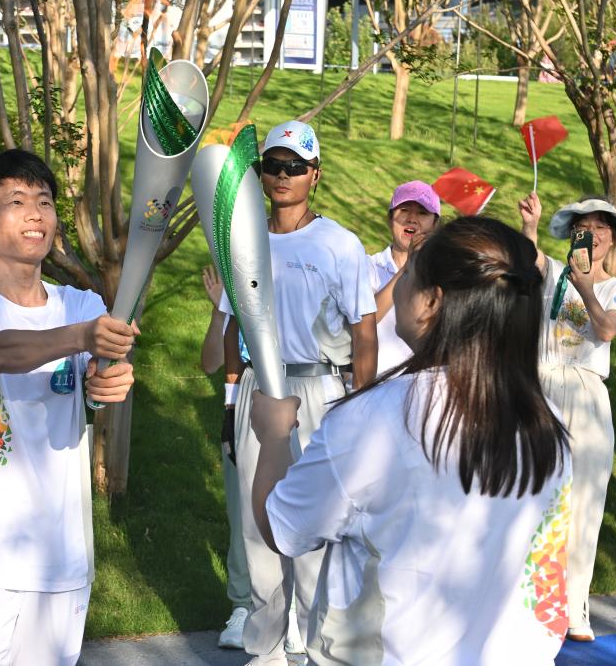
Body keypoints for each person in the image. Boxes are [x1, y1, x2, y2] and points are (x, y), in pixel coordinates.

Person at [251, 216, 571, 665]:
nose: (397, 285)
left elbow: (282, 529)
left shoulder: (373, 420)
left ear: (432, 302)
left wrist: (272, 437)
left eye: (407, 276)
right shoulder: (548, 423)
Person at [0, 149, 137, 665]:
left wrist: (110, 381)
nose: (35, 214)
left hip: (62, 556)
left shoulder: (81, 304)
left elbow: (99, 381)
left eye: (44, 202)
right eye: (16, 202)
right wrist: (82, 338)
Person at [221, 120, 377, 665]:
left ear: (315, 174)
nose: (283, 175)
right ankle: (264, 651)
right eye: (273, 165)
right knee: (256, 524)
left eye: (295, 166)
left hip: (319, 389)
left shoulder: (340, 244)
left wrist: (360, 408)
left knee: (316, 525)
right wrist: (230, 400)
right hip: (260, 390)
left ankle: (317, 651)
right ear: (261, 174)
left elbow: (364, 333)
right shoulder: (241, 238)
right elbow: (231, 326)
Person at [519, 192, 616, 642]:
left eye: (602, 227)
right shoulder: (552, 272)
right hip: (542, 386)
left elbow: (606, 329)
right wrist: (530, 225)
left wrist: (584, 285)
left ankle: (573, 606)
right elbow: (526, 264)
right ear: (572, 234)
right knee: (532, 495)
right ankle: (529, 604)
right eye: (584, 226)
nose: (593, 234)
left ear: (613, 238)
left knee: (583, 502)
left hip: (586, 393)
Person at [199, 265, 252, 650]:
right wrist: (221, 309)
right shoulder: (238, 292)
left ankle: (292, 610)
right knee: (242, 512)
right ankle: (244, 606)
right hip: (243, 403)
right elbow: (210, 363)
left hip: (298, 394)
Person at [368, 181, 441, 375]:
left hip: (421, 384)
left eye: (423, 213)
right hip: (373, 384)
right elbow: (363, 322)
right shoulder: (368, 267)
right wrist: (408, 267)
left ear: (435, 224)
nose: (412, 219)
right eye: (404, 210)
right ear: (390, 218)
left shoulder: (443, 277)